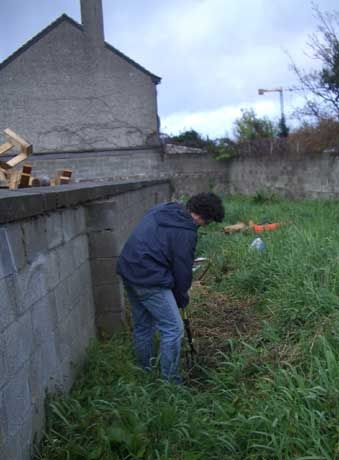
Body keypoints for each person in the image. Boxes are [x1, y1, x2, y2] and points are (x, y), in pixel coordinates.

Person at [117, 192, 225, 383]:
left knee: (143, 326)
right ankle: (171, 383)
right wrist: (181, 298)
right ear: (202, 217)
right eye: (207, 223)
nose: (203, 226)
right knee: (173, 328)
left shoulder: (164, 209)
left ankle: (146, 374)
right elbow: (182, 271)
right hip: (149, 278)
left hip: (128, 269)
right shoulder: (187, 232)